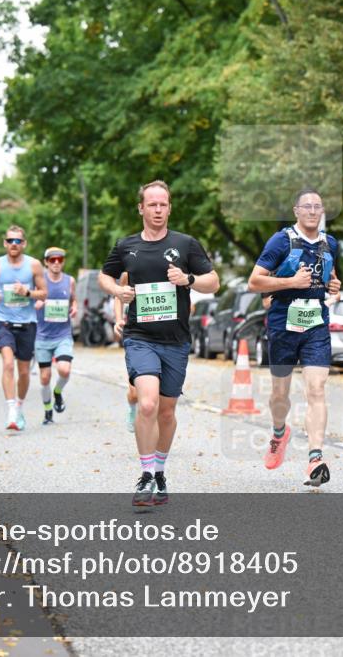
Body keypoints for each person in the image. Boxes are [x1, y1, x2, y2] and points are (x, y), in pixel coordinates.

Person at [99, 179, 219, 508]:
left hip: (176, 340)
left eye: (163, 204)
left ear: (169, 207)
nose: (157, 210)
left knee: (166, 412)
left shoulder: (186, 244)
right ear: (141, 208)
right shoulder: (126, 246)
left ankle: (160, 470)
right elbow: (104, 275)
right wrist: (117, 292)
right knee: (147, 403)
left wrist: (188, 279)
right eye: (151, 204)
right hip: (140, 336)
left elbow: (214, 282)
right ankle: (146, 474)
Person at [247, 188, 341, 487]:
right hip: (283, 323)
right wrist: (290, 282)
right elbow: (254, 282)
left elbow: (330, 276)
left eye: (317, 207)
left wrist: (335, 286)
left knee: (316, 388)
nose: (313, 211)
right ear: (296, 211)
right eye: (307, 207)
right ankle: (279, 433)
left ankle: (315, 458)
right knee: (280, 395)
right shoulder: (281, 240)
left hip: (315, 322)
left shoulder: (330, 243)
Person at [0, 225, 46, 431]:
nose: (13, 244)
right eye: (10, 241)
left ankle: (19, 406)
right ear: (4, 243)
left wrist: (27, 292)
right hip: (3, 322)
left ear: (24, 244)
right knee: (8, 364)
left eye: (18, 241)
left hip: (27, 324)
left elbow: (43, 293)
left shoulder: (34, 265)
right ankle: (11, 411)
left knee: (24, 372)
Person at [33, 247, 77, 425]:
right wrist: (35, 302)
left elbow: (74, 298)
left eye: (59, 259)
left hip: (63, 334)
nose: (56, 263)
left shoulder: (69, 280)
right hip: (42, 336)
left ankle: (58, 392)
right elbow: (29, 298)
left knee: (64, 370)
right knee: (44, 377)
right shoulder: (39, 281)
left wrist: (74, 307)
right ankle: (47, 410)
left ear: (63, 261)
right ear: (46, 262)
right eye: (52, 260)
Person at [112, 272, 138, 432]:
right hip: (136, 335)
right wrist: (118, 318)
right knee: (135, 393)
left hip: (163, 336)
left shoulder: (167, 268)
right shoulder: (127, 274)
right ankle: (133, 409)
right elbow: (117, 295)